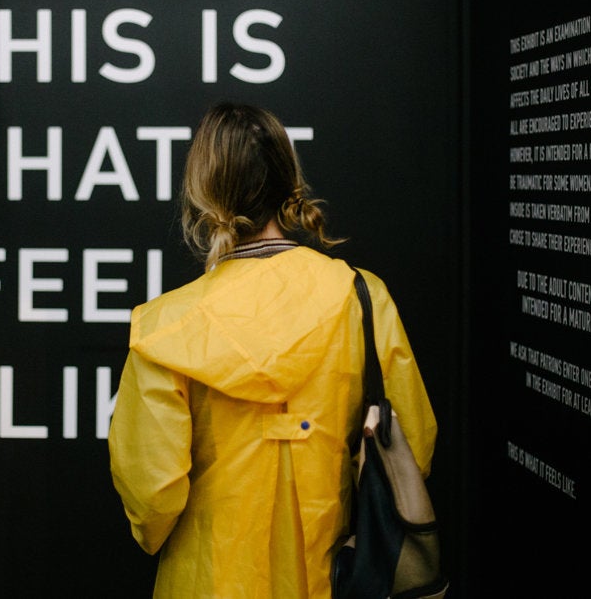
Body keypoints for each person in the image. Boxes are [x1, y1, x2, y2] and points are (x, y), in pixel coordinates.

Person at [108, 102, 438, 598]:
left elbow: (152, 494)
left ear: (202, 191)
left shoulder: (165, 327)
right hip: (336, 576)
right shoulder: (361, 298)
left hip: (208, 581)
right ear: (289, 183)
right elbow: (412, 445)